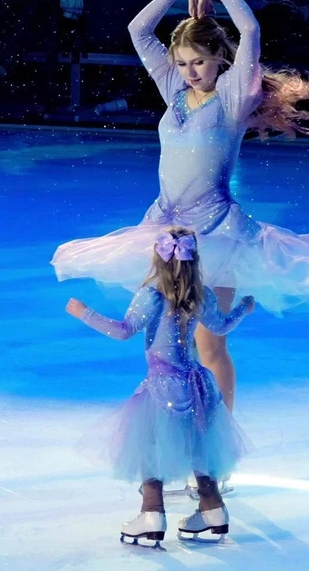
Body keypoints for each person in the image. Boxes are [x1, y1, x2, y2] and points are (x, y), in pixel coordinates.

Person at [52, 0, 309, 412]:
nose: (191, 71)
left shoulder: (232, 97)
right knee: (163, 344)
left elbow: (249, 32)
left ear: (218, 61)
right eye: (183, 62)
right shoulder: (174, 91)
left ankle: (218, 447)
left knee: (208, 348)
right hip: (164, 230)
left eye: (200, 62)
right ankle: (176, 433)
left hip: (218, 236)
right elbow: (139, 30)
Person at [67, 227, 254, 544]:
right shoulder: (201, 295)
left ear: (157, 258)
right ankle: (213, 509)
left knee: (151, 445)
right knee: (199, 446)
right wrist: (243, 308)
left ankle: (152, 513)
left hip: (162, 386)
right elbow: (222, 325)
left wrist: (84, 313)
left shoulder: (151, 295)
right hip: (197, 384)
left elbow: (124, 330)